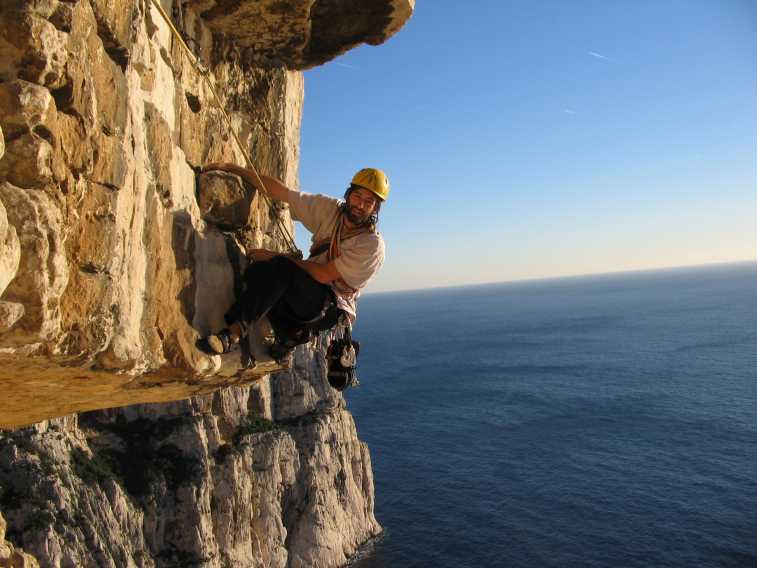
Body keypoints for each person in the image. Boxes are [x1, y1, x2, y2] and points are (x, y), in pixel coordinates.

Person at [199, 163, 388, 359]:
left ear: (375, 208)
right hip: (304, 291)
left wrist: (274, 256)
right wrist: (234, 169)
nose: (360, 205)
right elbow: (282, 192)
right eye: (358, 196)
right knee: (256, 272)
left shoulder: (371, 245)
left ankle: (232, 334)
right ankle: (290, 332)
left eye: (369, 201)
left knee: (280, 267)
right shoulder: (331, 210)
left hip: (329, 306)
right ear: (348, 195)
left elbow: (323, 275)